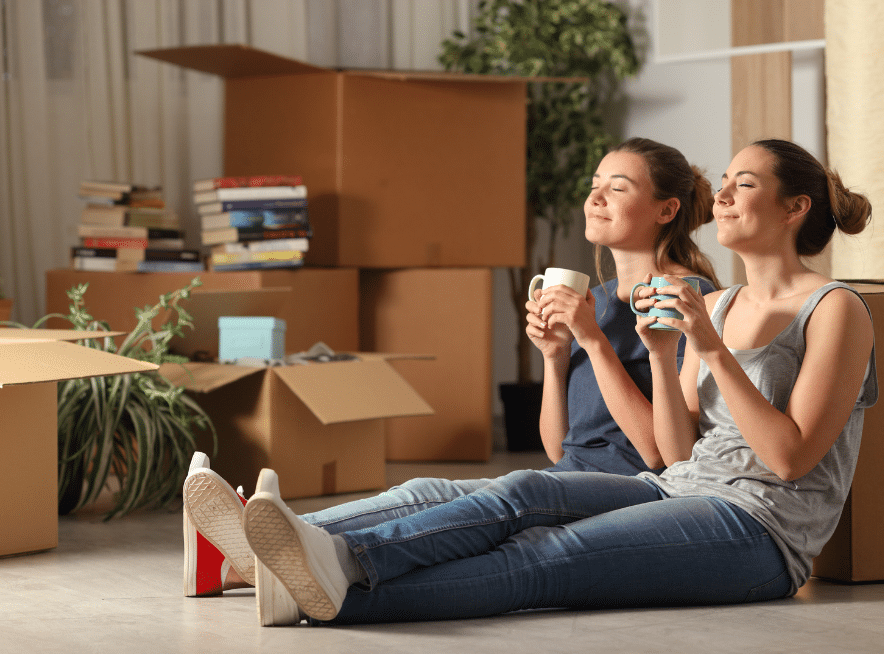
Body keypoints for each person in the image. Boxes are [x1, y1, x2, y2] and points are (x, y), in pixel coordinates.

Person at [239, 138, 877, 625]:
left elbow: (791, 459)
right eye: (727, 183)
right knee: (519, 490)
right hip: (676, 488)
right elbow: (678, 455)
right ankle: (326, 555)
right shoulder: (716, 305)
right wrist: (662, 352)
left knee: (542, 560)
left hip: (760, 531)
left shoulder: (835, 309)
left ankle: (334, 591)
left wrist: (709, 352)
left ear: (795, 207)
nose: (726, 196)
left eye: (745, 184)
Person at [182, 138, 719, 606]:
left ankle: (293, 550)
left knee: (503, 493)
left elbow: (661, 455)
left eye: (618, 188)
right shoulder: (595, 300)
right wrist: (555, 360)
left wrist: (591, 341)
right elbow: (562, 450)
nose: (595, 198)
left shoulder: (688, 299)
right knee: (427, 491)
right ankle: (250, 542)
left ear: (666, 209)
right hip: (569, 477)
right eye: (595, 183)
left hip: (634, 489)